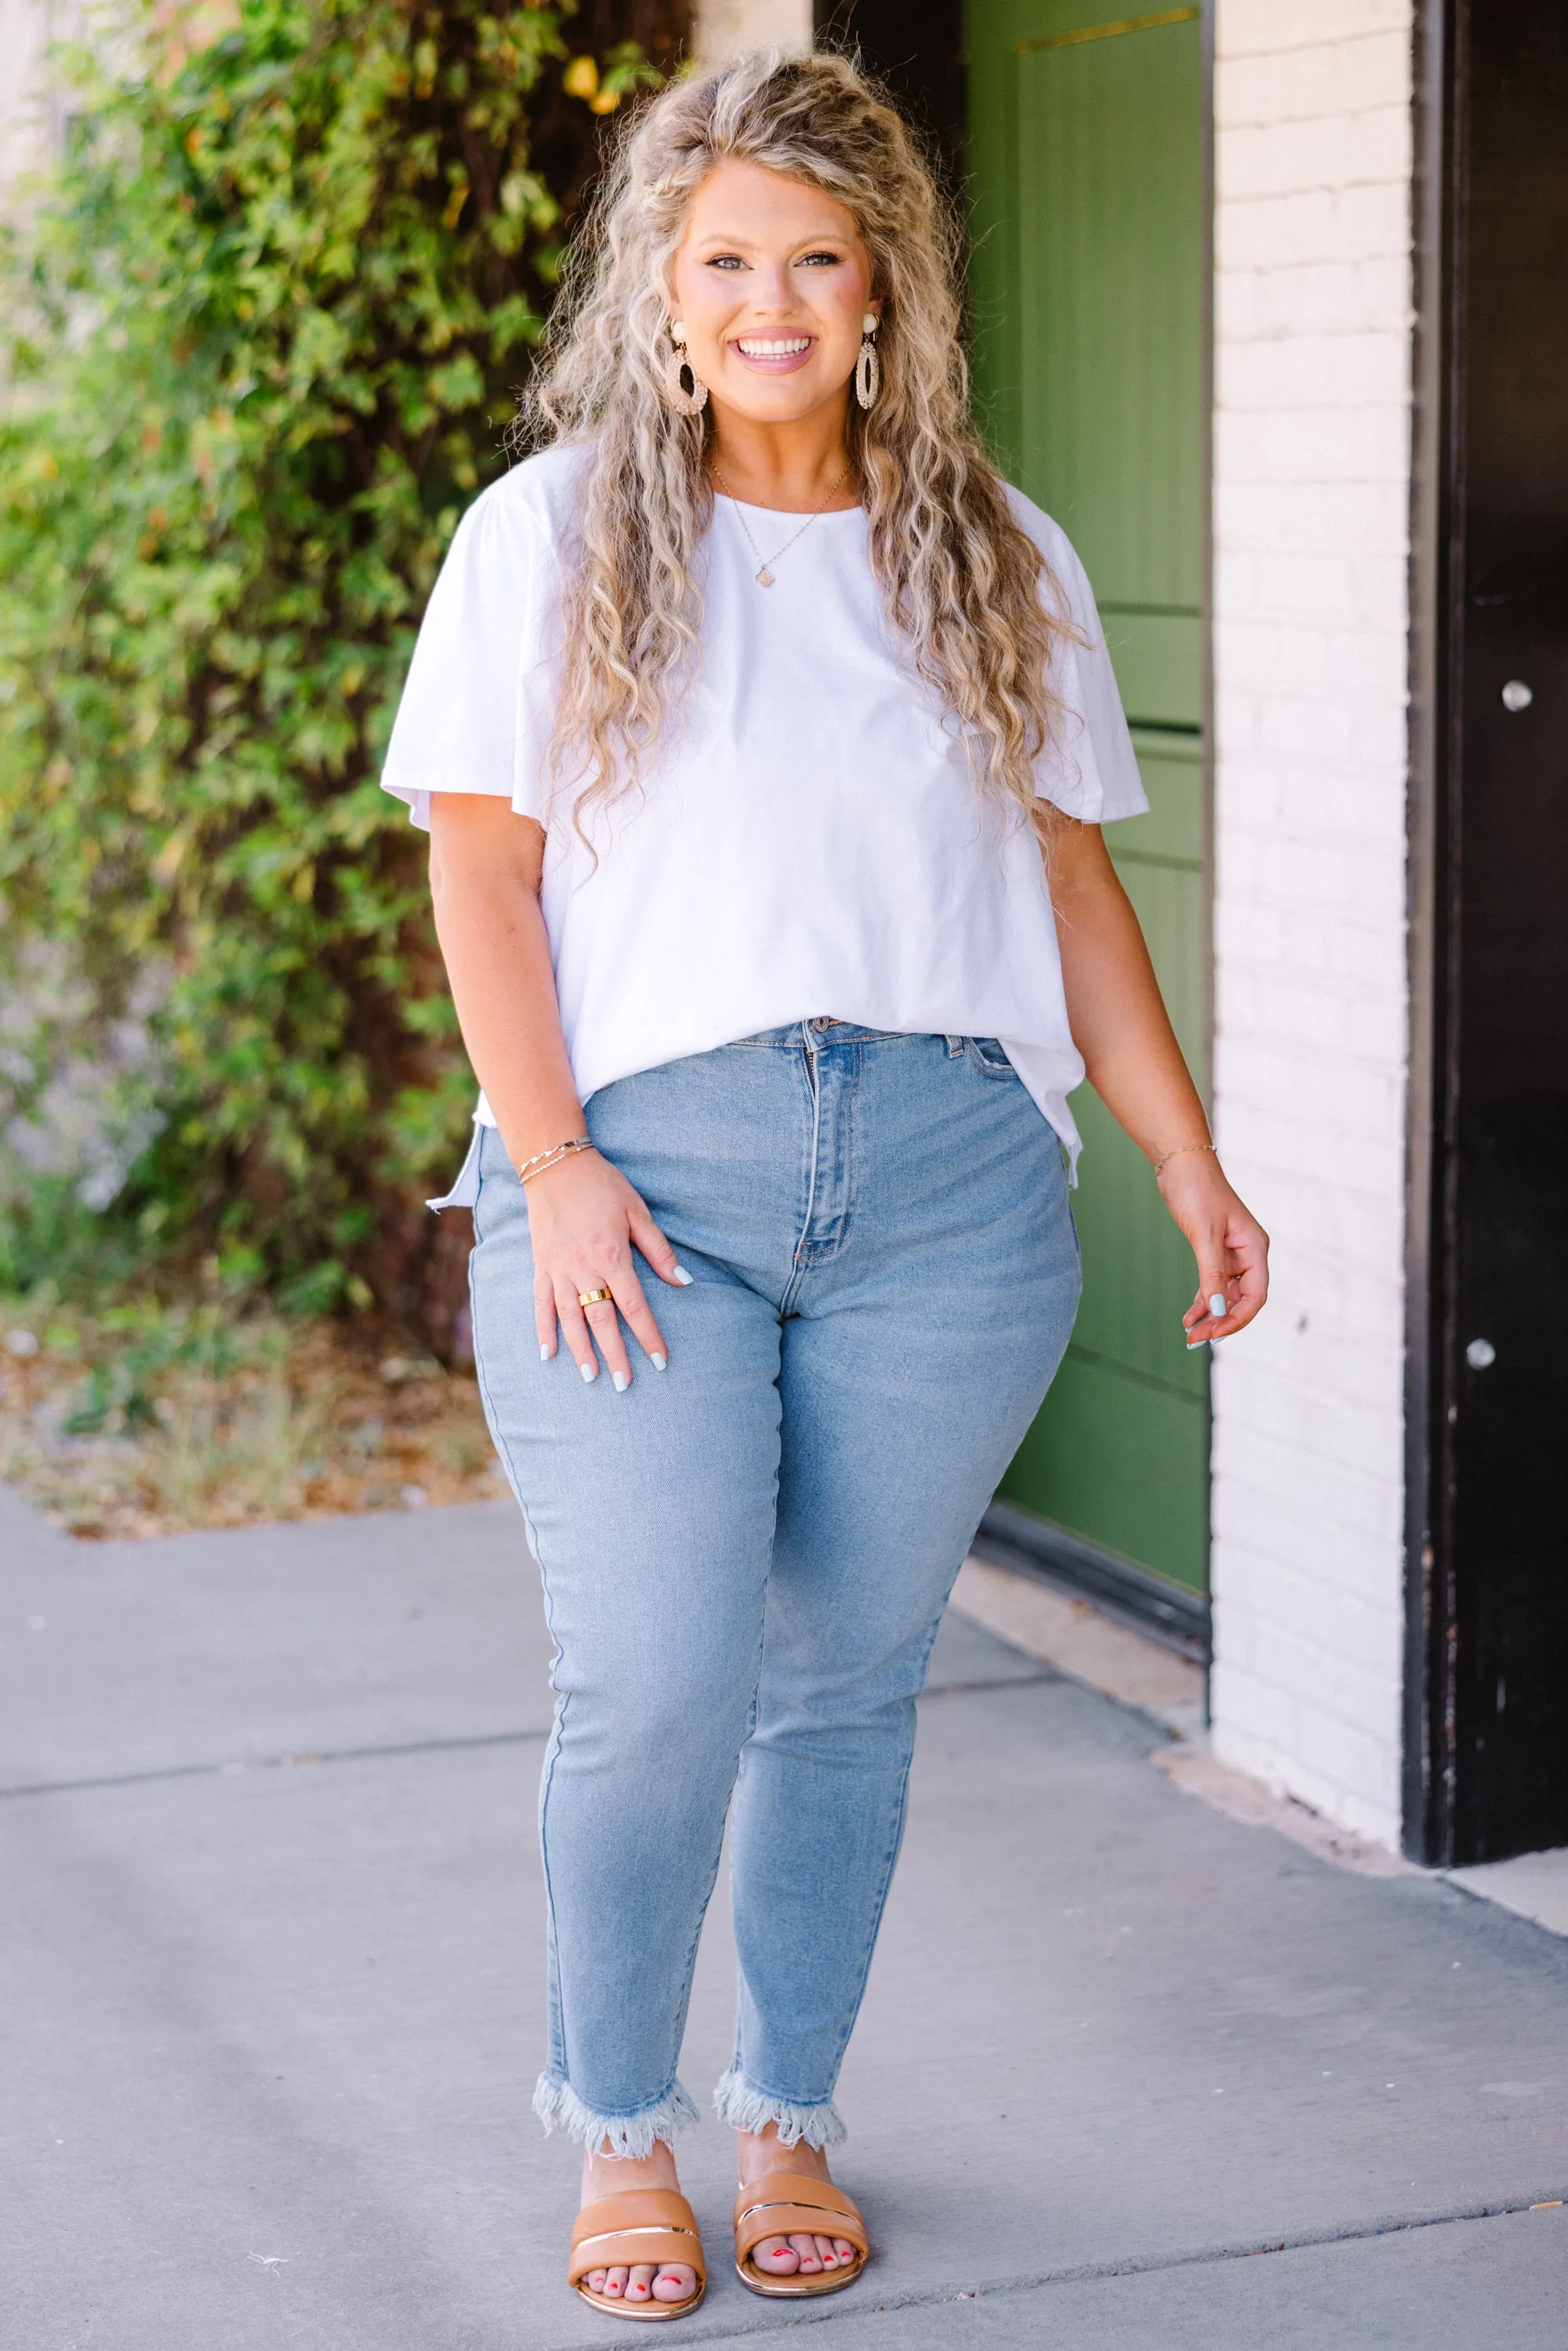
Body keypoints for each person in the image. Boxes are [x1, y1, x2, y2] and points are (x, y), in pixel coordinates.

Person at [382, 47, 1269, 2323]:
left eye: (816, 259)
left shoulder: (995, 546)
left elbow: (1072, 890)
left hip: (958, 1186)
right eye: (727, 261)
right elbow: (479, 878)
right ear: (664, 291)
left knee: (847, 1686)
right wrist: (553, 1166)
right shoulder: (555, 534)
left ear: (885, 289)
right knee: (660, 1676)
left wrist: (1181, 1154)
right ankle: (619, 2129)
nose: (772, 299)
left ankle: (787, 2111)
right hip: (638, 1185)